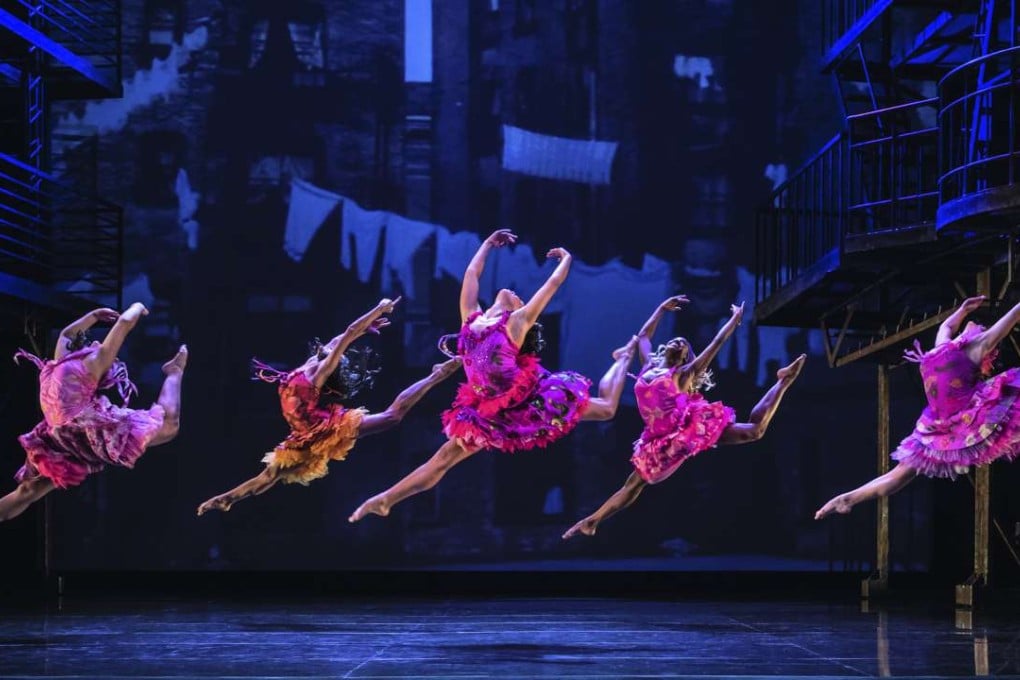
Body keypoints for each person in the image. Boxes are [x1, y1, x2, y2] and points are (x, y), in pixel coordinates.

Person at [348, 229, 638, 522]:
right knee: (443, 458)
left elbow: (552, 284)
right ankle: (385, 499)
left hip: (530, 401)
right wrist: (487, 244)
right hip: (488, 411)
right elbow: (471, 274)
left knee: (606, 409)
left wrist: (566, 259)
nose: (515, 294)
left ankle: (623, 357)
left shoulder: (516, 324)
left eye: (519, 299)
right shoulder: (470, 317)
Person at [563, 295, 805, 538]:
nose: (679, 341)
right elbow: (643, 337)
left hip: (688, 430)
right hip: (658, 440)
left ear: (685, 358)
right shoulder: (648, 366)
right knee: (633, 485)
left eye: (685, 345)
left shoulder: (683, 374)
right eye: (676, 340)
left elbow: (716, 343)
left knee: (754, 431)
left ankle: (783, 381)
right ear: (666, 348)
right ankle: (592, 521)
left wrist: (734, 321)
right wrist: (661, 309)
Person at [196, 297, 461, 515]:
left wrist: (378, 308)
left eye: (336, 354)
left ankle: (436, 374)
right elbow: (343, 337)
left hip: (325, 427)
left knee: (392, 417)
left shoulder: (318, 372)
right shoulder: (313, 360)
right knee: (268, 477)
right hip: (302, 435)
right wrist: (367, 326)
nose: (330, 348)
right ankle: (226, 499)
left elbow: (348, 334)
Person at [815, 295, 1020, 520]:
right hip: (945, 425)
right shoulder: (947, 346)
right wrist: (963, 310)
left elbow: (1009, 316)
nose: (972, 326)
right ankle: (847, 499)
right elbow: (947, 326)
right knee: (900, 473)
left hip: (954, 421)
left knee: (901, 474)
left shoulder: (969, 347)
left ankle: (848, 499)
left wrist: (965, 313)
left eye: (976, 327)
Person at [0, 303, 186, 521]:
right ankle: (174, 372)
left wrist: (94, 315)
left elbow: (66, 335)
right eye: (94, 343)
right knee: (168, 427)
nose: (98, 344)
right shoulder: (92, 364)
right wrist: (138, 307)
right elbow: (125, 322)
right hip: (83, 429)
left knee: (27, 491)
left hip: (57, 436)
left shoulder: (61, 360)